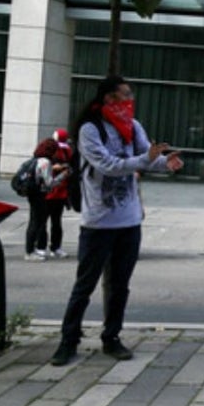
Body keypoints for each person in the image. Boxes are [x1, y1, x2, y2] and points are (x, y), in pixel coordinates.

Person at [50, 76, 183, 367]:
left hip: (129, 222)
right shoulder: (90, 129)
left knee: (119, 286)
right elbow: (109, 166)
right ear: (109, 98)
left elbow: (147, 157)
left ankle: (111, 337)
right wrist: (146, 160)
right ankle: (68, 341)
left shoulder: (132, 126)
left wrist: (166, 163)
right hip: (99, 222)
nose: (129, 101)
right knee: (84, 285)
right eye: (125, 95)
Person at [24, 135, 70, 262]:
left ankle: (32, 249)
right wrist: (62, 176)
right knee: (36, 223)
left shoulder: (36, 160)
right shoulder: (46, 162)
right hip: (40, 195)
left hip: (33, 193)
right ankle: (30, 251)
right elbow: (49, 183)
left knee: (35, 222)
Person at [44, 129, 74, 258]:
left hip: (50, 192)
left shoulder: (50, 150)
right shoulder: (68, 151)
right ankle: (55, 247)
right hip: (60, 191)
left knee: (45, 222)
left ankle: (42, 246)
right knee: (56, 222)